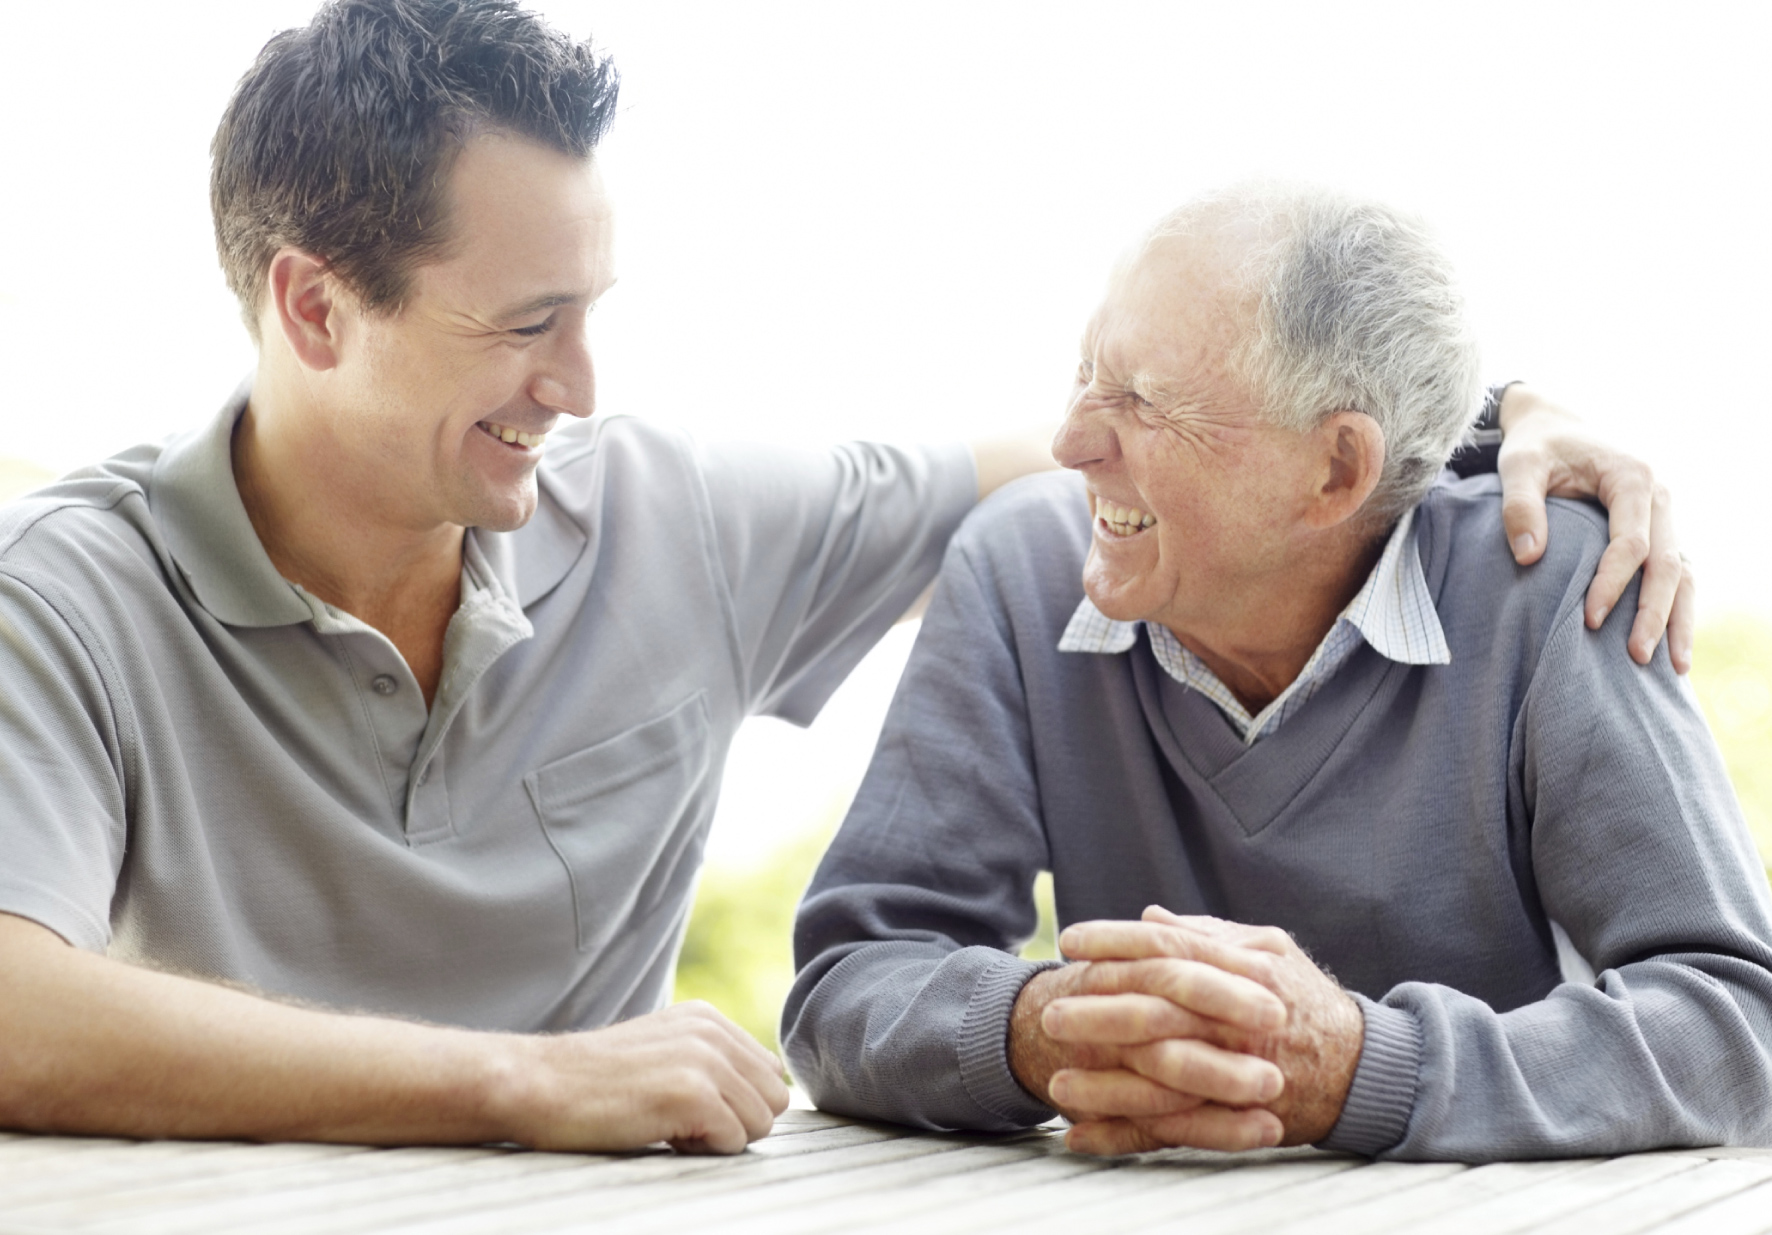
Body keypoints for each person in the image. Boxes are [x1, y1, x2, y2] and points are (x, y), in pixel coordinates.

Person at [0, 1, 1686, 1156]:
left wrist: (1485, 416)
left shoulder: (684, 519)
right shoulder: (64, 597)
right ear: (312, 308)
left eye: (592, 313)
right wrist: (517, 1081)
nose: (584, 387)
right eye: (527, 326)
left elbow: (1135, 460)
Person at [782, 183, 1765, 1162]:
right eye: (1085, 371)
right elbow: (845, 984)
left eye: (1144, 400)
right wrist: (1051, 1022)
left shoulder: (1547, 586)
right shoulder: (1019, 569)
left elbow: (1736, 1028)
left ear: (1337, 469)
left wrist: (1362, 1064)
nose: (1068, 441)